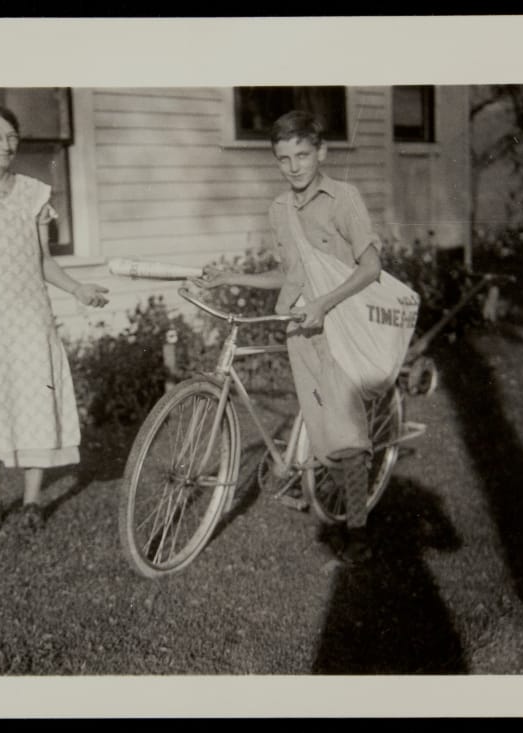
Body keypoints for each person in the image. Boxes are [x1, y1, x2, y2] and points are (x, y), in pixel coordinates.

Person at [194, 110, 383, 563]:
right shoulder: (279, 210)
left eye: (302, 154)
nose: (294, 166)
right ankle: (333, 496)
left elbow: (371, 267)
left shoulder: (344, 198)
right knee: (321, 430)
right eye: (284, 158)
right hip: (302, 328)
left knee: (347, 434)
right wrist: (233, 277)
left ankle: (358, 530)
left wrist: (325, 303)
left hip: (342, 327)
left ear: (321, 152)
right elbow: (288, 274)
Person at [0, 104, 109, 533]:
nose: (4, 146)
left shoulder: (34, 193)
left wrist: (77, 289)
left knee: (36, 401)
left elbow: (43, 261)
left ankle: (31, 500)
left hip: (30, 318)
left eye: (10, 137)